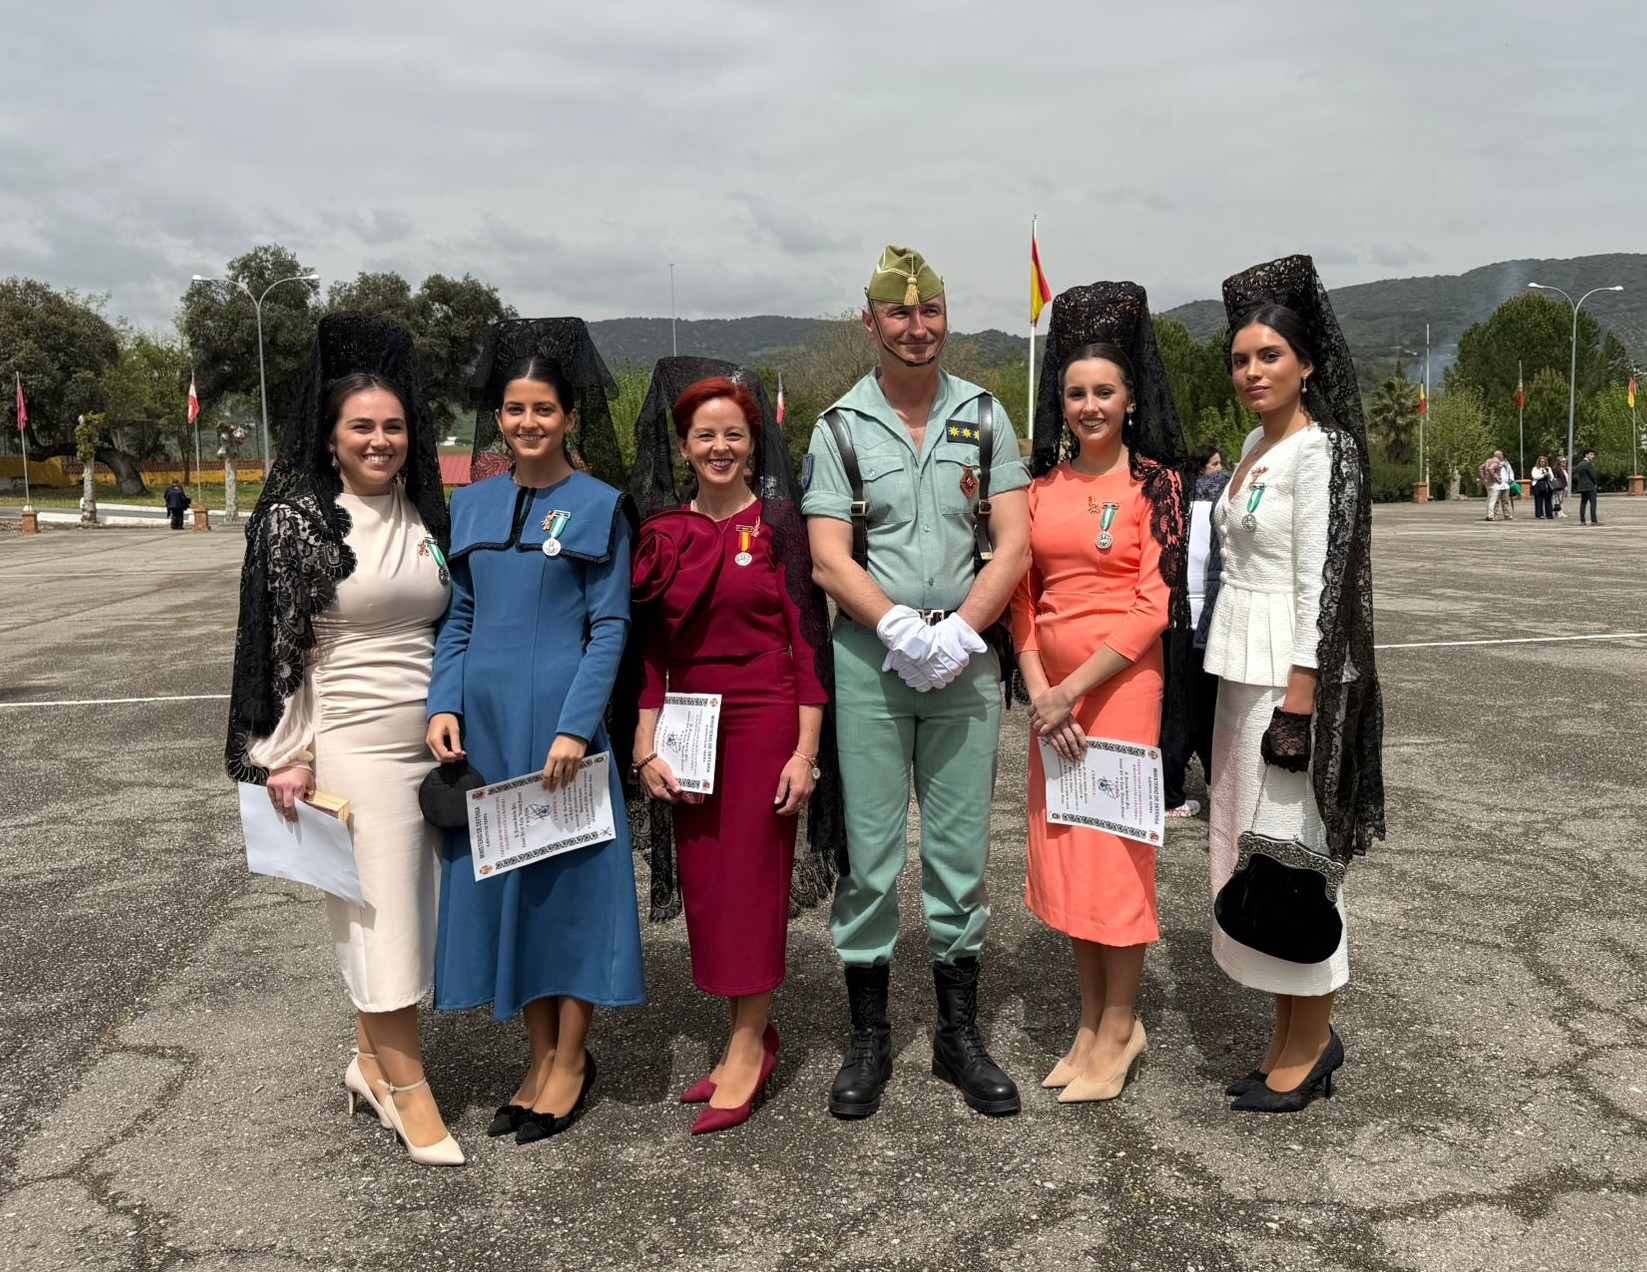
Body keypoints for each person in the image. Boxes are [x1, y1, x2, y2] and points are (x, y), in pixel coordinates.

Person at [226, 314, 459, 1165]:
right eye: (361, 426)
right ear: (329, 436)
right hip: (353, 744)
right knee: (383, 919)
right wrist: (284, 753)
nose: (380, 440)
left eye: (393, 425)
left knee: (411, 915)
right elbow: (272, 644)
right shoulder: (296, 521)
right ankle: (410, 1094)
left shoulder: (424, 511)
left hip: (432, 743)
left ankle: (367, 1063)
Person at [804, 245, 1031, 1119]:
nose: (915, 327)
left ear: (945, 315)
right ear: (870, 321)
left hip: (963, 662)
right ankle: (868, 1037)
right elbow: (829, 557)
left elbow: (1010, 543)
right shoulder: (838, 427)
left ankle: (956, 1035)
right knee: (870, 856)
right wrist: (898, 627)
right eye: (898, 313)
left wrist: (961, 632)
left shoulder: (984, 415)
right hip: (871, 661)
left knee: (959, 853)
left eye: (928, 310)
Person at [425, 318, 643, 1145]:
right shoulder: (472, 504)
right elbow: (459, 616)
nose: (528, 422)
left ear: (569, 416)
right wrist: (442, 705)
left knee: (567, 894)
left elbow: (610, 626)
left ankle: (572, 1060)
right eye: (515, 409)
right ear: (499, 417)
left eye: (543, 409)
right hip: (486, 732)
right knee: (511, 884)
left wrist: (576, 728)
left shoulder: (600, 506)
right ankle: (538, 1055)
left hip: (561, 734)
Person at [628, 361, 842, 1135]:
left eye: (733, 434)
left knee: (752, 886)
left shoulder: (780, 525)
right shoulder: (662, 532)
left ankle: (748, 1048)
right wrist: (645, 741)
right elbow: (651, 650)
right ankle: (743, 1036)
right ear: (683, 446)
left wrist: (805, 753)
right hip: (689, 728)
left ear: (754, 443)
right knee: (711, 890)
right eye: (703, 435)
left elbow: (808, 642)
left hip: (763, 723)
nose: (718, 447)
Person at [1204, 255, 1385, 1113]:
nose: (1252, 372)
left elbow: (1324, 582)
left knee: (1297, 860)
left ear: (1306, 363)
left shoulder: (1322, 451)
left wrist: (1300, 708)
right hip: (1238, 674)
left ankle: (1310, 1043)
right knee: (1256, 855)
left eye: (1269, 356)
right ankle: (1288, 1030)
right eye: (1240, 359)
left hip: (1288, 679)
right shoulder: (1254, 445)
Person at [1009, 281, 1187, 1103]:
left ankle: (1120, 1027)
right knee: (1070, 855)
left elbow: (1154, 604)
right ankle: (1088, 1022)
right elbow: (1020, 597)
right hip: (1052, 699)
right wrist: (1040, 689)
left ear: (1130, 399)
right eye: (1075, 392)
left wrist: (1072, 688)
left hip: (1120, 693)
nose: (1089, 406)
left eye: (1103, 392)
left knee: (1115, 855)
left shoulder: (1156, 486)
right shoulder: (1038, 489)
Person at [1163, 443, 1228, 820]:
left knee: (1176, 705)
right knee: (1200, 709)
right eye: (1216, 464)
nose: (1221, 470)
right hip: (1204, 621)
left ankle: (1176, 787)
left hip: (1169, 618)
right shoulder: (1218, 507)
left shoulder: (1174, 505)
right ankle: (1178, 791)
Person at [1574, 450, 1600, 524]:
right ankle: (1594, 520)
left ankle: (1582, 520)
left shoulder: (1580, 464)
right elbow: (1592, 475)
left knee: (1583, 503)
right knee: (1593, 503)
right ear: (1586, 455)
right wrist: (1595, 483)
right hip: (1589, 486)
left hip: (1582, 486)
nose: (1593, 456)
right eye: (1591, 454)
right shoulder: (1588, 464)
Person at [1530, 455, 1555, 520]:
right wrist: (1543, 475)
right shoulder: (1535, 468)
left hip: (1547, 485)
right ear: (1539, 462)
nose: (1543, 463)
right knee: (1539, 500)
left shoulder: (1548, 468)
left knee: (1548, 500)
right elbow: (1534, 476)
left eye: (1544, 461)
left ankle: (1549, 514)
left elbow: (1552, 477)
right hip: (1538, 485)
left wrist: (1549, 475)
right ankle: (1539, 514)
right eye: (1541, 461)